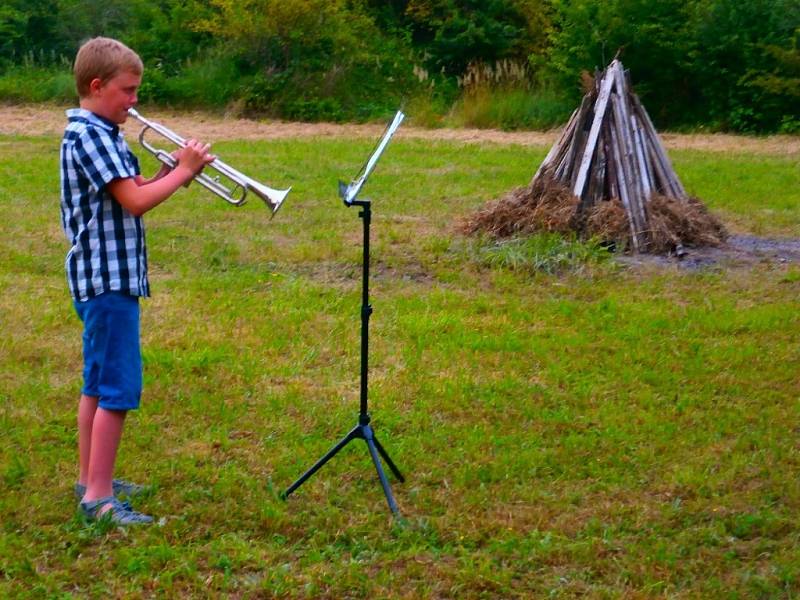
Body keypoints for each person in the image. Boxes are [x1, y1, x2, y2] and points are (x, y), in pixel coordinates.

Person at [60, 37, 215, 525]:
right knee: (118, 389)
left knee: (97, 384)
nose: (134, 101)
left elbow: (131, 189)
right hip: (108, 281)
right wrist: (184, 170)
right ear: (97, 85)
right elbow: (137, 202)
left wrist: (171, 173)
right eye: (128, 91)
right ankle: (99, 501)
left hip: (105, 277)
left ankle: (92, 478)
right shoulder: (92, 136)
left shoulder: (100, 132)